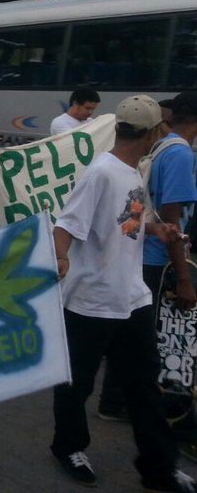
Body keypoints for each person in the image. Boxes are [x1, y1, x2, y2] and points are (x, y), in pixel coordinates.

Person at [51, 95, 197, 492]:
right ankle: (68, 447)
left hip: (131, 300)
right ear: (151, 133)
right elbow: (65, 224)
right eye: (160, 129)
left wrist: (157, 229)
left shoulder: (132, 173)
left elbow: (128, 218)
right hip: (91, 302)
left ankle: (159, 469)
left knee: (144, 388)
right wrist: (61, 257)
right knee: (75, 384)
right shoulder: (101, 172)